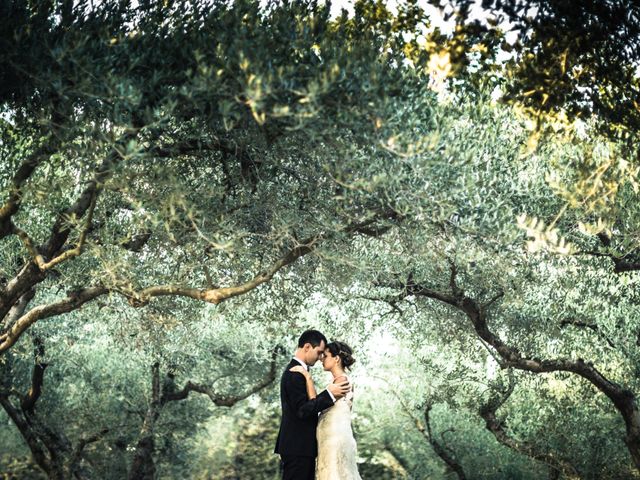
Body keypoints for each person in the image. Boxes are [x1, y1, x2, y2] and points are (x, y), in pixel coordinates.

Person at [274, 330, 351, 480]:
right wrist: (329, 394)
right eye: (319, 352)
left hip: (303, 447)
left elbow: (310, 402)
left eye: (324, 354)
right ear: (307, 347)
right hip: (298, 447)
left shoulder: (301, 372)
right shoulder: (294, 373)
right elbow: (302, 410)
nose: (320, 357)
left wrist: (309, 379)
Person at [290, 340, 362, 480]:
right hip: (328, 438)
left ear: (336, 359)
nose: (321, 358)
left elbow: (317, 402)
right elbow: (316, 402)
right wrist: (308, 377)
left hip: (335, 438)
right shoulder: (337, 382)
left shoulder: (342, 382)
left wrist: (306, 376)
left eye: (325, 355)